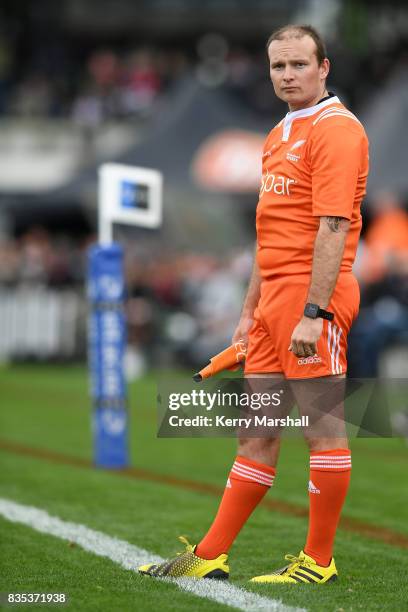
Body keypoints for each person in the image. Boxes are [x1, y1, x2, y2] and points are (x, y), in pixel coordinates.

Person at [139, 24, 369, 583]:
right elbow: (268, 238)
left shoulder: (337, 131)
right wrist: (249, 314)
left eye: (298, 65)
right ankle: (210, 554)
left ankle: (318, 563)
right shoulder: (277, 133)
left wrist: (313, 315)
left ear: (324, 68)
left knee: (323, 428)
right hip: (272, 305)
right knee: (258, 431)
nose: (287, 76)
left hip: (314, 299)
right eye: (277, 67)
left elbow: (333, 227)